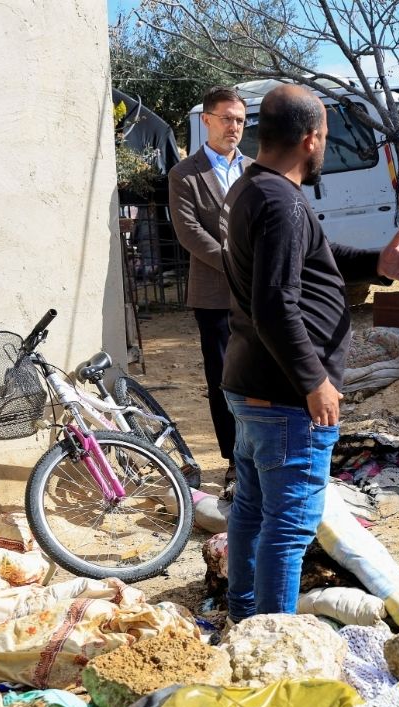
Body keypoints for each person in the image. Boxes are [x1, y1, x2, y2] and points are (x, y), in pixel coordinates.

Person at [221, 85, 399, 620]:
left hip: (251, 385)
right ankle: (273, 637)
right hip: (286, 397)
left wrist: (376, 263)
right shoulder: (281, 201)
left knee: (250, 509)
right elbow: (274, 305)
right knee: (288, 530)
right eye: (327, 138)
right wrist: (314, 380)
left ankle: (244, 619)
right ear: (311, 138)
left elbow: (316, 255)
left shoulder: (255, 188)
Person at [168, 86, 250, 489]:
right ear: (207, 121)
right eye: (226, 118)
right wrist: (236, 265)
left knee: (262, 375)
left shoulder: (256, 170)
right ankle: (234, 460)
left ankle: (262, 456)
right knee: (224, 379)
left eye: (239, 119)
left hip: (259, 293)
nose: (233, 126)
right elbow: (189, 232)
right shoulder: (185, 174)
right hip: (216, 294)